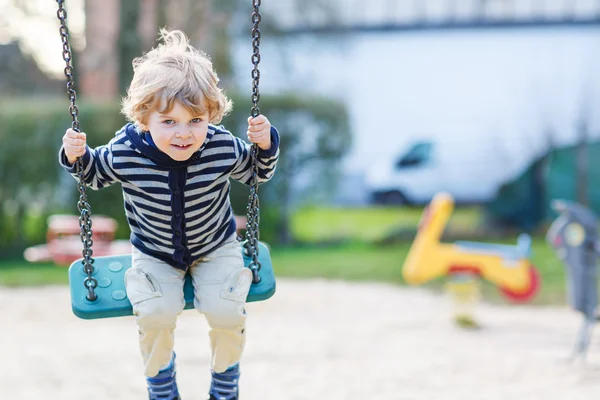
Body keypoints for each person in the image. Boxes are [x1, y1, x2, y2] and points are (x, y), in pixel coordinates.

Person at [59, 29, 280, 400]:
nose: (184, 133)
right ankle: (161, 382)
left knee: (227, 312)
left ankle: (225, 379)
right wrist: (74, 155)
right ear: (144, 117)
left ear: (211, 114)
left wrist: (265, 144)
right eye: (169, 122)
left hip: (216, 245)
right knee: (155, 314)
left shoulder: (221, 146)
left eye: (196, 120)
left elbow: (256, 171)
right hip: (154, 250)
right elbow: (92, 174)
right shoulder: (127, 150)